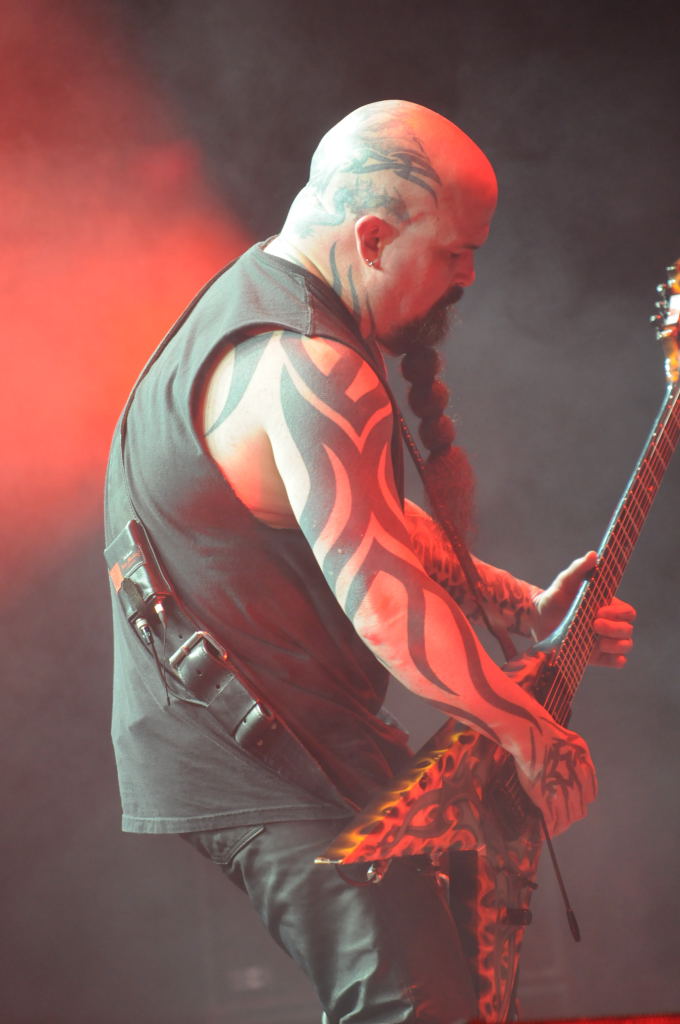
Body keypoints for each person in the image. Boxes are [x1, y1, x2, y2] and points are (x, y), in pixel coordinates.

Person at [104, 100, 635, 1023]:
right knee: (412, 1007)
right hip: (261, 757)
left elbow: (368, 520)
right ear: (375, 237)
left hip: (293, 739)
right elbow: (385, 602)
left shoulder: (267, 296)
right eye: (455, 253)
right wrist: (529, 731)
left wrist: (519, 607)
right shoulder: (306, 359)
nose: (469, 276)